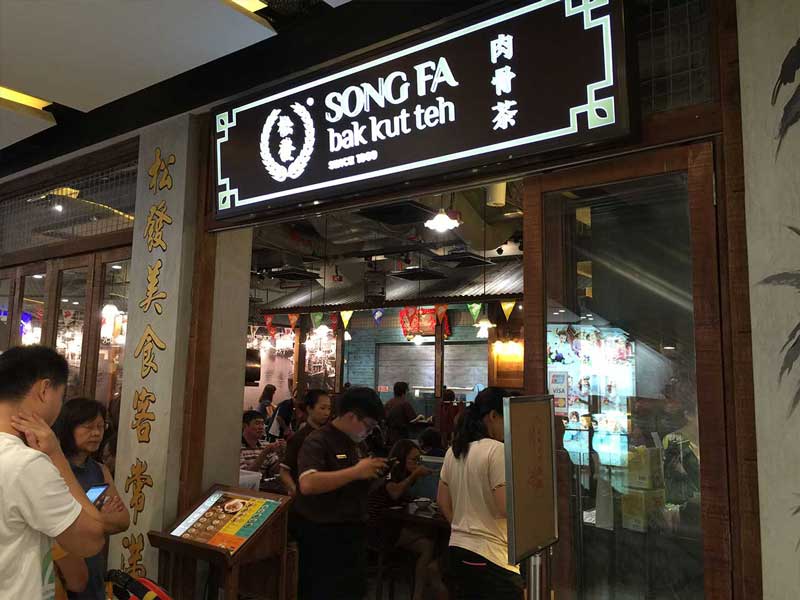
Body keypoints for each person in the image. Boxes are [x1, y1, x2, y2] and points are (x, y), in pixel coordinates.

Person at [0, 345, 108, 599]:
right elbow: (92, 538)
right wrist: (56, 454)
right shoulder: (26, 464)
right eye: (62, 396)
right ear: (45, 389)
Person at [296, 386, 388, 599]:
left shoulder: (358, 444)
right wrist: (356, 472)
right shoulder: (318, 440)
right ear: (351, 416)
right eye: (368, 426)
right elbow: (308, 483)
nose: (368, 432)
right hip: (323, 535)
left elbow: (352, 483)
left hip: (353, 531)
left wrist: (374, 475)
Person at [437, 387, 523, 599]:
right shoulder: (497, 451)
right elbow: (505, 508)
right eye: (507, 418)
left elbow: (441, 501)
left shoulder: (454, 451)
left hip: (457, 551)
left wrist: (464, 529)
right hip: (493, 558)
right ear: (493, 415)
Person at [54, 398, 131, 600]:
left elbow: (123, 521)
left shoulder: (100, 469)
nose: (97, 433)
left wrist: (87, 521)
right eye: (88, 427)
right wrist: (101, 517)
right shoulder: (52, 468)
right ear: (68, 428)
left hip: (94, 567)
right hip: (61, 570)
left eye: (100, 426)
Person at [368, 440, 446, 600]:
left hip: (390, 525)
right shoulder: (389, 470)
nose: (417, 463)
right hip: (378, 529)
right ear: (401, 458)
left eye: (419, 460)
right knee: (429, 540)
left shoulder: (401, 473)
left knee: (428, 540)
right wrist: (415, 475)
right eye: (414, 460)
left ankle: (419, 592)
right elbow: (394, 493)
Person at [279, 389, 332, 497]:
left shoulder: (329, 435)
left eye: (329, 408)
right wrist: (295, 491)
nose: (327, 413)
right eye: (322, 408)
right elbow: (284, 471)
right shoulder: (299, 437)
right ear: (309, 409)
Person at [241, 410, 285, 480]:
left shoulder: (265, 444)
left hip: (264, 486)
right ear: (245, 426)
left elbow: (273, 472)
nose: (261, 427)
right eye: (257, 423)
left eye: (262, 424)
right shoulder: (237, 447)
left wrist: (281, 456)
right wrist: (265, 452)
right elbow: (246, 476)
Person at [385, 381, 417, 446]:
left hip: (388, 437)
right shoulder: (405, 404)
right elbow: (413, 420)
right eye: (407, 391)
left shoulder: (389, 403)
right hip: (401, 437)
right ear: (404, 392)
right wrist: (420, 417)